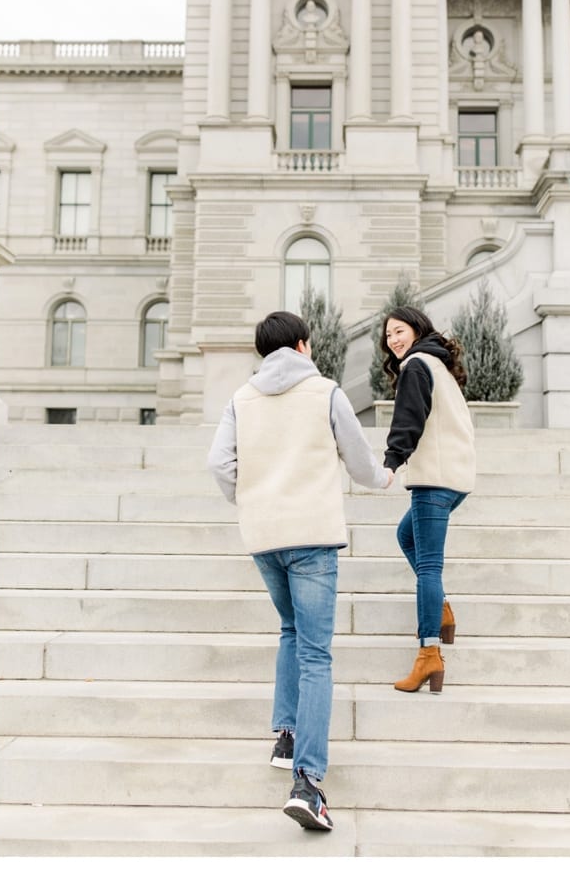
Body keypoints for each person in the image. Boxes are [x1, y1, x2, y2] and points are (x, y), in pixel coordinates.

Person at [208, 311, 391, 833]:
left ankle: (286, 736)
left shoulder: (241, 398)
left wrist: (249, 501)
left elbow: (219, 464)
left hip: (264, 537)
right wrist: (382, 478)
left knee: (290, 631)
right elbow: (358, 461)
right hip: (312, 535)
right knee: (315, 653)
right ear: (304, 346)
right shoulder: (326, 392)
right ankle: (308, 784)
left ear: (265, 352)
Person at [380, 306, 476, 694]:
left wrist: (391, 461)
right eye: (388, 336)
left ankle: (429, 654)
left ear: (417, 329)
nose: (393, 340)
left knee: (430, 567)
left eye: (399, 331)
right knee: (406, 538)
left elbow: (409, 418)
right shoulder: (439, 365)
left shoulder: (417, 365)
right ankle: (443, 611)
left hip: (434, 478)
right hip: (455, 478)